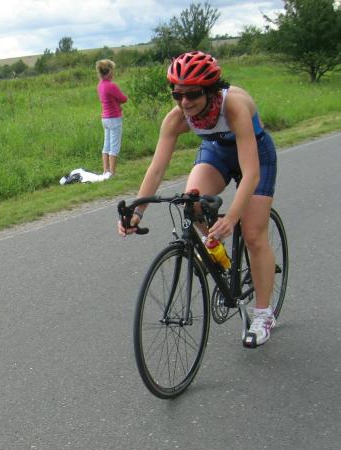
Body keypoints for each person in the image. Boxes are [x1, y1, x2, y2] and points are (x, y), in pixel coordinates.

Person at [118, 51, 279, 346]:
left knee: (253, 234)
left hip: (256, 155)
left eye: (192, 94)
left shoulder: (234, 107)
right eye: (177, 94)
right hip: (217, 152)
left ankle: (263, 314)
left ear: (211, 90)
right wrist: (138, 211)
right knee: (191, 204)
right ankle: (217, 252)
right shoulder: (176, 118)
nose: (184, 102)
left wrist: (232, 217)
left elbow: (251, 173)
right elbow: (157, 169)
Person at [96, 59, 128, 178]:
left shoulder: (100, 85)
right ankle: (112, 173)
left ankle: (105, 171)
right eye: (112, 70)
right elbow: (124, 99)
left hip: (105, 118)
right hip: (114, 118)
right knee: (114, 146)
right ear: (109, 71)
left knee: (107, 145)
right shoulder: (111, 85)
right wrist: (121, 98)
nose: (113, 72)